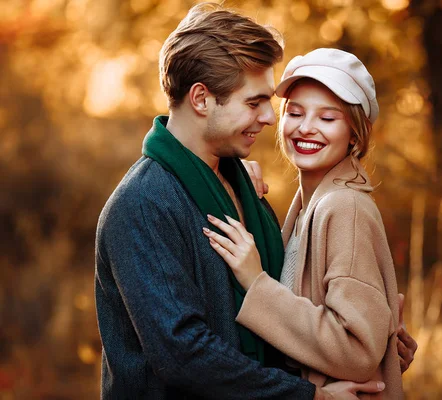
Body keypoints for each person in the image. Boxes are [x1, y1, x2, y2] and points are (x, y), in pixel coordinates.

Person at [95, 4, 389, 399]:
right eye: (254, 103)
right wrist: (310, 396)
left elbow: (289, 302)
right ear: (201, 99)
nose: (270, 117)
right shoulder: (142, 206)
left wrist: (379, 335)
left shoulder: (242, 185)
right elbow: (184, 354)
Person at [203, 48, 409, 399]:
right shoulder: (309, 206)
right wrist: (236, 184)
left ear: (355, 134)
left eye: (328, 118)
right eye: (295, 113)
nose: (306, 127)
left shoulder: (345, 207)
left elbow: (356, 350)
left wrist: (257, 283)